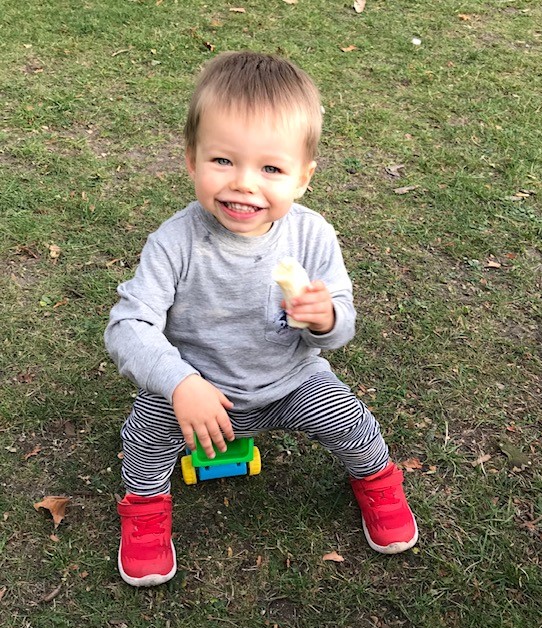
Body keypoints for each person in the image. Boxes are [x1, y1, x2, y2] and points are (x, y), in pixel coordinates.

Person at [105, 50, 418, 587]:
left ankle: (378, 481)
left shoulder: (312, 235)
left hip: (289, 381)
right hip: (196, 394)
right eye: (223, 161)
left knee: (353, 423)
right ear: (191, 159)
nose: (244, 184)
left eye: (271, 168)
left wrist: (326, 319)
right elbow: (127, 326)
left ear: (302, 178)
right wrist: (181, 384)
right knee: (143, 439)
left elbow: (343, 325)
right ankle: (145, 511)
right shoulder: (175, 243)